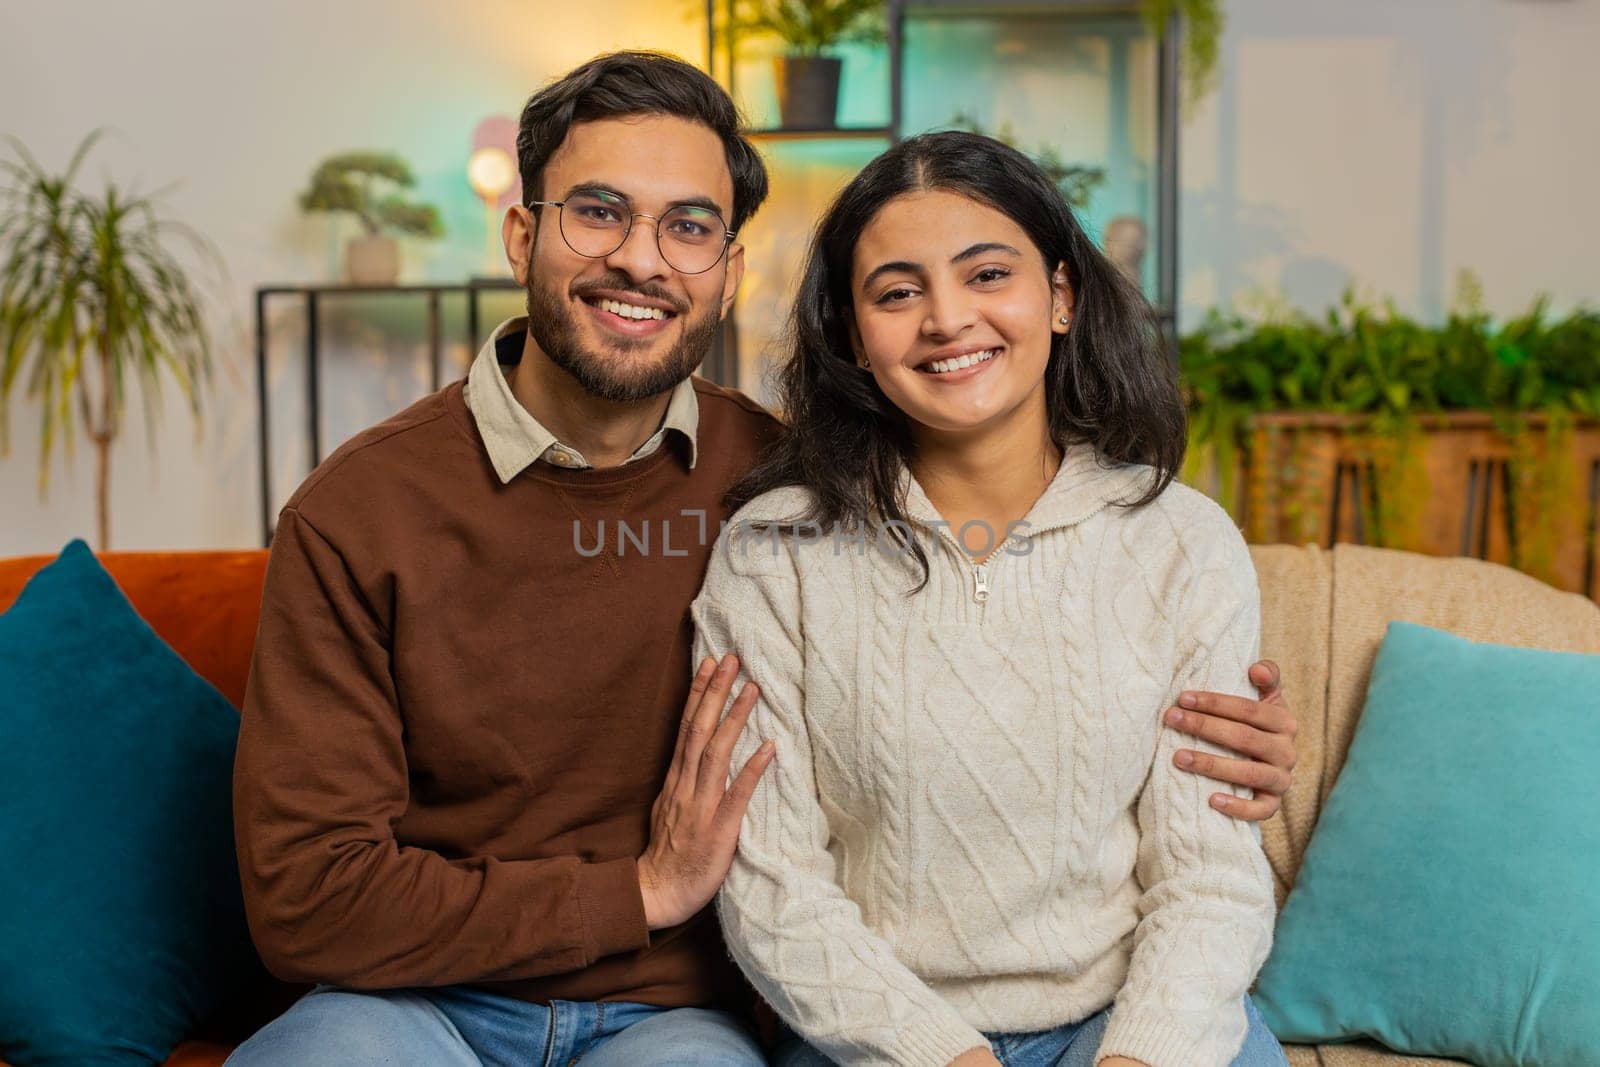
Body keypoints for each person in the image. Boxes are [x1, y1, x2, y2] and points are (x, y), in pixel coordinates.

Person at [227, 52, 1297, 1067]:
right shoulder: (366, 510)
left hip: (666, 1018)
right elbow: (304, 897)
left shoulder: (777, 477)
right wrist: (643, 890)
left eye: (687, 226)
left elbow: (1160, 819)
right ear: (521, 235)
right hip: (414, 1001)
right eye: (598, 211)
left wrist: (1243, 744)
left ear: (730, 272)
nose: (640, 258)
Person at [693, 130, 1290, 1067]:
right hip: (878, 1040)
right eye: (897, 292)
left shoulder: (1184, 541)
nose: (945, 319)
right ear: (853, 336)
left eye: (986, 275)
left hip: (1129, 1021)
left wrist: (1139, 1056)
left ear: (1059, 297)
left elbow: (1210, 878)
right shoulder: (775, 552)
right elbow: (773, 885)